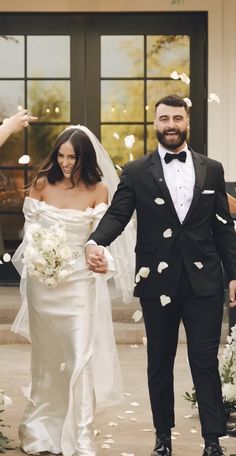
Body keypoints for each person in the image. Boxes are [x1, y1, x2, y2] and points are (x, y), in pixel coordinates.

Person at [85, 95, 236, 456]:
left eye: (177, 118)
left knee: (204, 361)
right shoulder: (137, 172)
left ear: (187, 122)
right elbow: (118, 215)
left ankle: (212, 440)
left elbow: (224, 228)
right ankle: (163, 437)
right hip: (158, 283)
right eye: (164, 118)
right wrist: (95, 242)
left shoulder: (212, 169)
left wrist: (234, 275)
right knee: (160, 362)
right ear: (155, 123)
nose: (171, 124)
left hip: (205, 283)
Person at [11, 125, 135, 456]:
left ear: (86, 158)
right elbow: (30, 235)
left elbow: (102, 237)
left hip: (79, 283)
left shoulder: (99, 190)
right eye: (61, 156)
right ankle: (42, 431)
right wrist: (39, 261)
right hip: (44, 286)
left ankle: (81, 438)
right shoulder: (41, 184)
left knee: (81, 357)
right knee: (48, 361)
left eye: (73, 157)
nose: (66, 163)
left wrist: (100, 260)